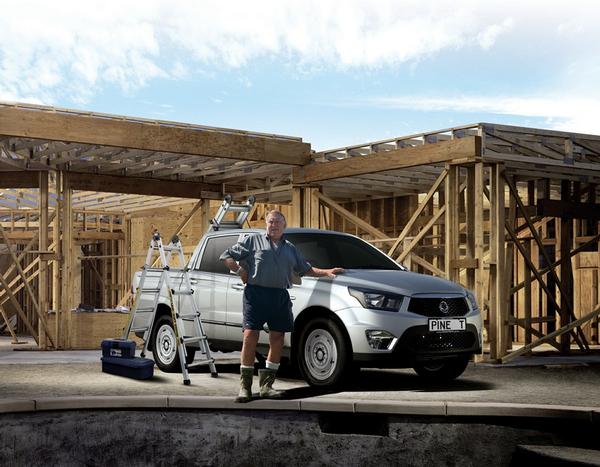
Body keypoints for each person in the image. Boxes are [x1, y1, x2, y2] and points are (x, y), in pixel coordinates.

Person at [220, 209, 343, 402]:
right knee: (250, 336)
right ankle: (245, 388)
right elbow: (227, 256)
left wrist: (327, 272)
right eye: (270, 221)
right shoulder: (253, 241)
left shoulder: (290, 248)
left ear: (284, 226)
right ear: (266, 224)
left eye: (277, 222)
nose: (273, 225)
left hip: (279, 296)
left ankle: (267, 386)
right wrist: (239, 270)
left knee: (277, 338)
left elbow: (306, 269)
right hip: (255, 294)